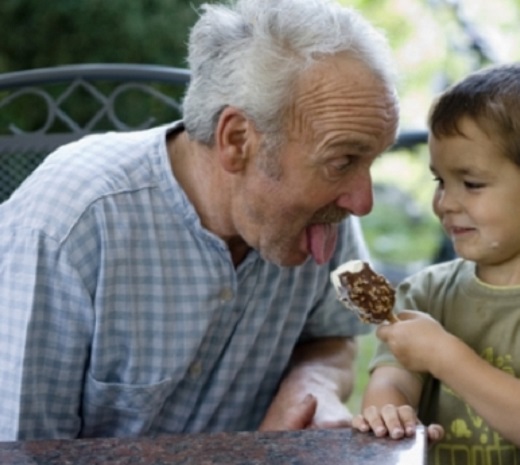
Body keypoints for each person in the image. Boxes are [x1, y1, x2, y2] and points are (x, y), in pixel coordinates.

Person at [0, 0, 400, 440]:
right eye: (343, 160)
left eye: (370, 161)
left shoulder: (322, 213)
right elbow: (22, 448)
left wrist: (311, 385)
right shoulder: (71, 225)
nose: (363, 201)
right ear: (237, 140)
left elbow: (333, 338)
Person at [352, 62, 520, 464]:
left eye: (472, 184)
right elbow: (392, 381)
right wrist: (389, 410)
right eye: (440, 181)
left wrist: (445, 355)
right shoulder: (424, 292)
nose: (446, 202)